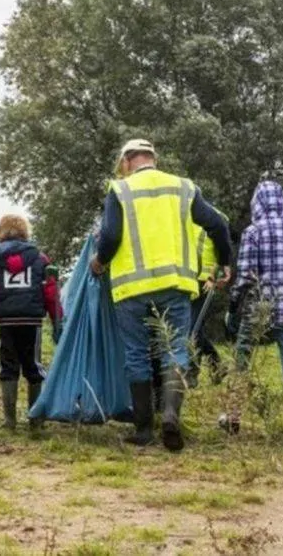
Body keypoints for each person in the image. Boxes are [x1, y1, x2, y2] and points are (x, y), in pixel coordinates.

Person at [90, 139, 232, 451]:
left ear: (127, 161)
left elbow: (111, 235)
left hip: (131, 288)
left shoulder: (120, 190)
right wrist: (224, 262)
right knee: (175, 350)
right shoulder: (183, 187)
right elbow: (218, 225)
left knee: (137, 354)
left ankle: (143, 430)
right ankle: (170, 414)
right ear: (154, 159)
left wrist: (99, 262)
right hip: (175, 285)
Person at [225, 181, 283, 445]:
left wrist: (233, 308)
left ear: (258, 203)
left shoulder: (253, 232)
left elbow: (244, 276)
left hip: (259, 309)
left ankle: (232, 418)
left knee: (242, 361)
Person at [0, 214, 61, 430]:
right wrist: (56, 320)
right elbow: (50, 292)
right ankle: (35, 418)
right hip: (33, 321)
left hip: (6, 322)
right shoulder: (41, 259)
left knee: (8, 366)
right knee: (34, 366)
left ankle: (9, 420)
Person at [187, 210, 231, 387]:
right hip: (187, 279)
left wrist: (216, 275)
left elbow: (222, 251)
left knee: (193, 328)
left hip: (206, 281)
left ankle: (193, 373)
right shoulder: (186, 215)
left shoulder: (218, 220)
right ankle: (216, 364)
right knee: (191, 328)